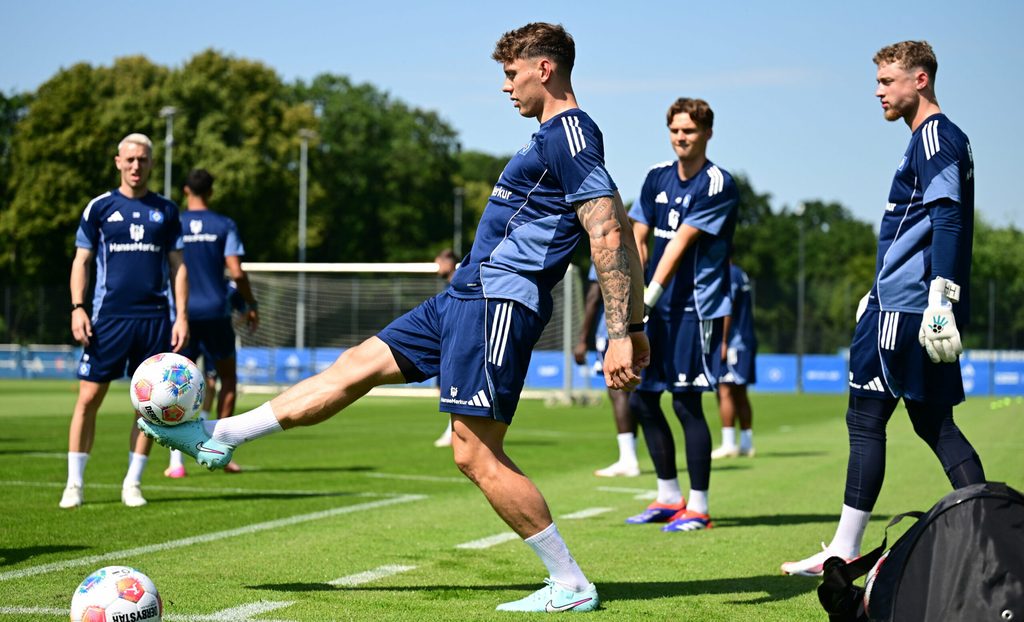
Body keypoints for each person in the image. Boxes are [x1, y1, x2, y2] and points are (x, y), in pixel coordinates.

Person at [140, 22, 649, 613]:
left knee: (473, 452)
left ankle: (571, 582)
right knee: (356, 364)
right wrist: (634, 327)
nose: (505, 87)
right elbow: (618, 235)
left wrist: (620, 332)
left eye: (511, 74)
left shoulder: (570, 133)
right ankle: (222, 436)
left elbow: (609, 230)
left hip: (498, 303)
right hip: (463, 296)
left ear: (544, 69)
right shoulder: (553, 137)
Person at [781, 40, 986, 576]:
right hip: (902, 301)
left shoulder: (936, 135)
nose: (878, 91)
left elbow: (947, 217)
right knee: (933, 423)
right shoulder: (934, 137)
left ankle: (844, 548)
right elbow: (916, 227)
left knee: (865, 419)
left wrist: (940, 294)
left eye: (887, 81)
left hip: (908, 307)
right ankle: (991, 531)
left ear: (919, 80)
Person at [624, 98, 739, 533]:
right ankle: (668, 496)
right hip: (656, 307)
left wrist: (647, 297)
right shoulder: (656, 177)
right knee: (643, 397)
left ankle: (700, 506)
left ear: (707, 133)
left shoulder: (717, 184)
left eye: (689, 131)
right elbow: (639, 234)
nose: (680, 138)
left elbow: (680, 243)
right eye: (675, 130)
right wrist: (632, 291)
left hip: (696, 307)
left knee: (687, 400)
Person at [60, 133, 189, 509]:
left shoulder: (166, 210)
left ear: (151, 163)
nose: (136, 166)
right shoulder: (99, 208)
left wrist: (181, 317)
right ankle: (74, 484)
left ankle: (132, 483)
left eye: (143, 160)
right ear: (118, 162)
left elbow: (178, 267)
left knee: (148, 407)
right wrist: (77, 307)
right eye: (130, 159)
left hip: (154, 320)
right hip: (107, 318)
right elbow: (81, 261)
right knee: (88, 399)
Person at [164, 169, 259, 477]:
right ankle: (221, 449)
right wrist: (250, 303)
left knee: (174, 386)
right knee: (228, 379)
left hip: (183, 315)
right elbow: (237, 271)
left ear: (185, 190)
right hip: (217, 312)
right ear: (212, 192)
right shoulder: (223, 224)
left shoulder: (173, 221)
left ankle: (175, 462)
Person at [574, 264, 640, 476]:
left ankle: (628, 459)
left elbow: (594, 296)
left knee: (617, 392)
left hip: (613, 332)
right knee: (632, 391)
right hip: (640, 329)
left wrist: (582, 339)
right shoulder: (639, 249)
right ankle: (631, 455)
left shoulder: (605, 247)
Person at [711, 261, 757, 459]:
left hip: (733, 343)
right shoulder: (740, 273)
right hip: (745, 340)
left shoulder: (727, 273)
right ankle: (747, 443)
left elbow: (726, 308)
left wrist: (722, 340)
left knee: (725, 389)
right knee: (739, 392)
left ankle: (729, 443)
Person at [432, 248, 459, 448]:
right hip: (448, 343)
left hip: (458, 345)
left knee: (453, 391)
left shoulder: (460, 282)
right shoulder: (450, 284)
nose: (437, 266)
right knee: (444, 389)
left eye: (440, 261)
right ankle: (452, 431)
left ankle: (453, 432)